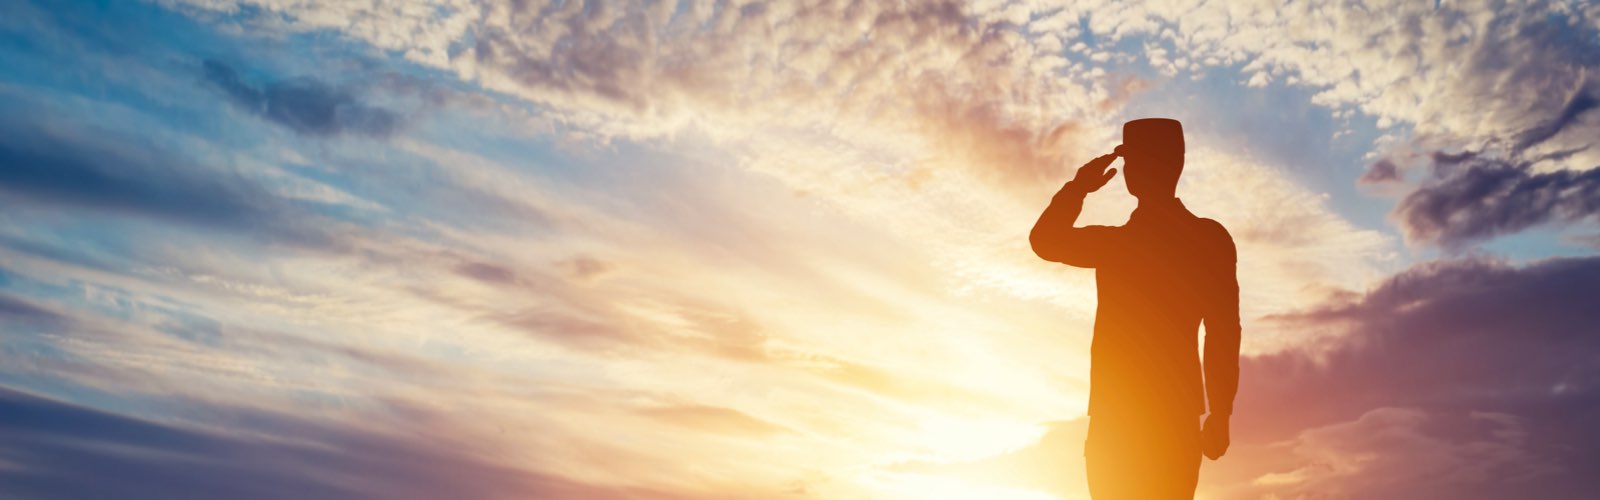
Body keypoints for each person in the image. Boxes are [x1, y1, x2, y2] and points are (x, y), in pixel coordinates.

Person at [1029, 118, 1240, 499]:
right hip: (1165, 418)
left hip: (1121, 419)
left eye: (1132, 163)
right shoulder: (1209, 239)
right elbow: (1224, 332)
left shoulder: (1118, 245)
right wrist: (1221, 411)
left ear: (1137, 170)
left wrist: (1079, 188)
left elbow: (1045, 239)